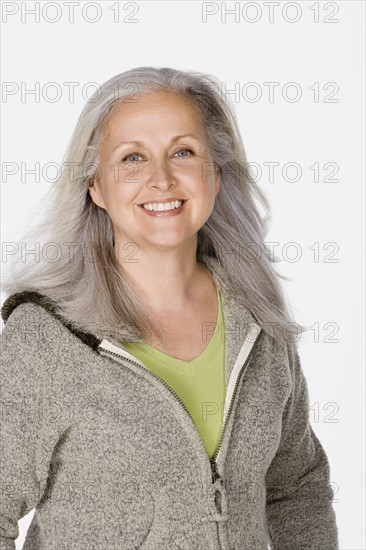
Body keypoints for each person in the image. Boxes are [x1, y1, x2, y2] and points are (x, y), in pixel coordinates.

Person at [0, 66, 339, 550]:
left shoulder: (257, 321)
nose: (160, 179)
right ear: (95, 186)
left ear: (215, 173)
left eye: (183, 152)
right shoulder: (43, 339)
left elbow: (296, 489)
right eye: (132, 158)